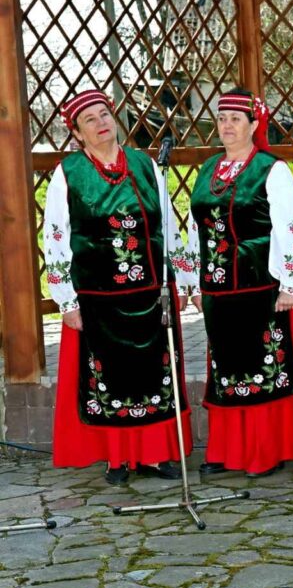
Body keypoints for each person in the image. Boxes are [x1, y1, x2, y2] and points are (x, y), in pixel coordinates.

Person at [44, 89, 196, 485]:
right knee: (111, 378)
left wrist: (181, 278)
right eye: (90, 119)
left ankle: (154, 455)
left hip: (149, 292)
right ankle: (118, 458)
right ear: (78, 133)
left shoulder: (145, 165)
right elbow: (56, 237)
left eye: (104, 114)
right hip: (98, 297)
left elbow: (167, 224)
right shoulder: (68, 173)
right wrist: (66, 301)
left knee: (153, 375)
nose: (101, 123)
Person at [186, 88, 293, 477]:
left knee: (262, 366)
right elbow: (195, 227)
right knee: (226, 367)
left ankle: (263, 452)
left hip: (259, 285)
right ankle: (226, 451)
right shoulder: (208, 168)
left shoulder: (270, 169)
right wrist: (192, 280)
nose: (227, 125)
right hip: (217, 287)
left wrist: (290, 283)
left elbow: (292, 227)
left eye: (236, 119)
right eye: (222, 118)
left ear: (254, 125)